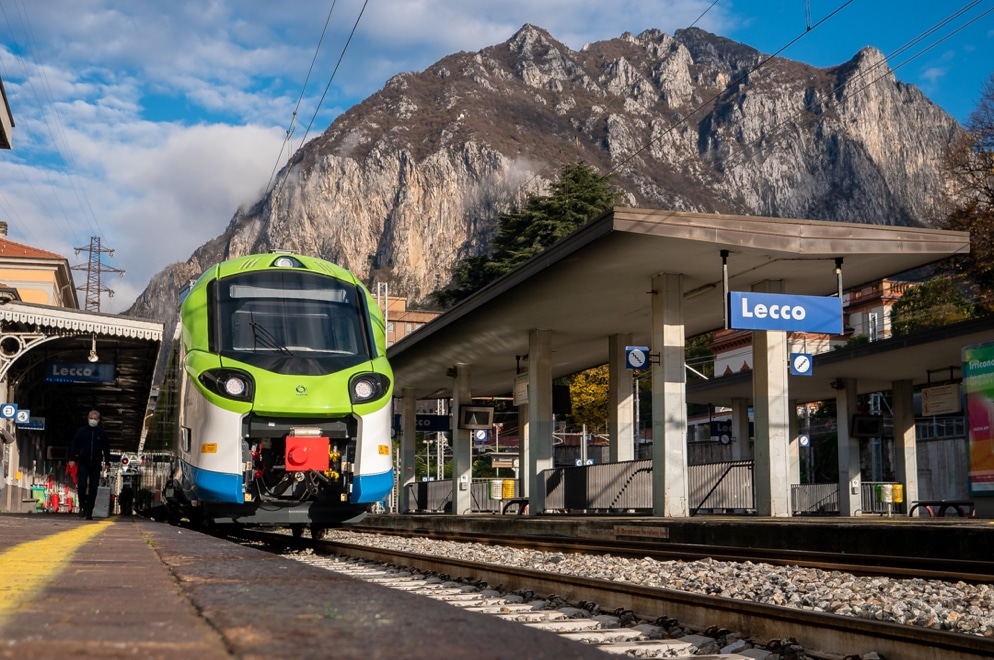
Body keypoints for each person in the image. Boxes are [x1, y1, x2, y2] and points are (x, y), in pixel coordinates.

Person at [68, 410, 110, 520]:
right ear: (88, 419)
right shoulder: (81, 431)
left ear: (99, 420)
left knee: (93, 487)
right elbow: (74, 444)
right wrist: (72, 459)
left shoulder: (102, 433)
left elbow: (106, 448)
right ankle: (82, 504)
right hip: (83, 462)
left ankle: (89, 511)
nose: (93, 420)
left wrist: (107, 462)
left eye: (95, 419)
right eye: (91, 418)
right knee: (81, 484)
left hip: (96, 464)